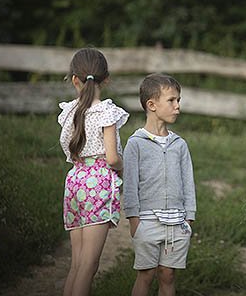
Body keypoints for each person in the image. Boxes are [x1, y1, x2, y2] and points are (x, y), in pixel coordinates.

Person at [58, 48, 129, 296]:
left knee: (77, 265)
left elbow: (70, 150)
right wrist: (124, 167)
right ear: (106, 79)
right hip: (97, 185)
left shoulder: (69, 111)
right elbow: (111, 158)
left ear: (74, 79)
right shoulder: (106, 112)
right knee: (89, 266)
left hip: (75, 181)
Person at [123, 73, 196, 296]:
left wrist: (189, 216)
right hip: (146, 220)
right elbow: (130, 185)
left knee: (168, 274)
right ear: (152, 105)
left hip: (177, 221)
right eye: (172, 100)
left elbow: (188, 181)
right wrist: (134, 219)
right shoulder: (135, 144)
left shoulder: (180, 145)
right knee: (145, 274)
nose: (177, 107)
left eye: (178, 100)